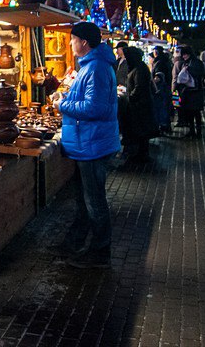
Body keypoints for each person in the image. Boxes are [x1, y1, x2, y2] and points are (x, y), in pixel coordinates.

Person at [50, 21, 119, 269]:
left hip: (92, 144)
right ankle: (75, 242)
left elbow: (95, 108)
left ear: (84, 43)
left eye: (72, 39)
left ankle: (100, 252)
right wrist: (66, 97)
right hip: (87, 142)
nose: (70, 44)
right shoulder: (91, 66)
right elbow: (88, 100)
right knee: (84, 199)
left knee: (94, 201)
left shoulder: (97, 68)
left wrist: (62, 106)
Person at [121, 46, 156, 164]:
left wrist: (130, 97)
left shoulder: (140, 69)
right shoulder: (139, 67)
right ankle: (140, 153)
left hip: (140, 106)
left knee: (141, 130)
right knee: (141, 131)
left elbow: (139, 87)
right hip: (139, 104)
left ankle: (141, 155)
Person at [174, 46, 205, 137]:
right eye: (183, 55)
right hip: (188, 91)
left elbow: (199, 74)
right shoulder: (186, 63)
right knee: (190, 112)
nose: (184, 56)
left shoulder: (195, 63)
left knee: (195, 112)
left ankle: (197, 131)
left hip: (195, 91)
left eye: (185, 54)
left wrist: (189, 70)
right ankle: (192, 130)